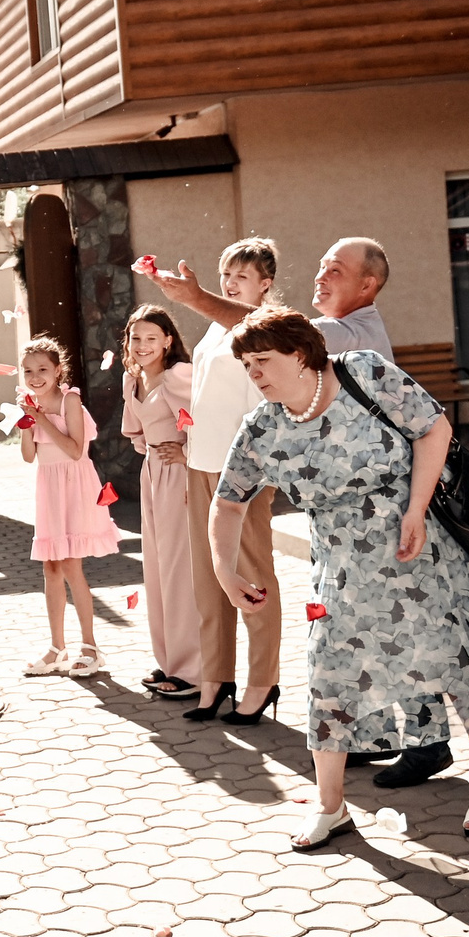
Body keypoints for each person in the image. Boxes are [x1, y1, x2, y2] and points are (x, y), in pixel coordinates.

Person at [208, 310, 469, 848]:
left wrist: (415, 509)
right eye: (246, 364)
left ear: (300, 353)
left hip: (425, 551)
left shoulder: (363, 372)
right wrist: (225, 570)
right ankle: (330, 806)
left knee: (462, 664)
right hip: (341, 574)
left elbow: (434, 428)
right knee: (329, 675)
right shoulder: (263, 427)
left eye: (263, 360)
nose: (255, 373)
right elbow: (227, 504)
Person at [169, 239, 284, 725]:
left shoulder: (264, 327)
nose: (231, 282)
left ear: (265, 284)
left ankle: (262, 681)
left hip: (245, 467)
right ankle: (215, 679)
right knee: (209, 575)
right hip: (201, 462)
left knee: (252, 573)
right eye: (227, 274)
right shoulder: (215, 330)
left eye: (242, 275)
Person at [18, 335, 116, 679]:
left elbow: (76, 451)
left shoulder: (69, 401)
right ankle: (56, 648)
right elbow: (29, 456)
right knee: (51, 569)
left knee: (72, 566)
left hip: (74, 487)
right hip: (49, 488)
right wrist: (26, 423)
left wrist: (42, 419)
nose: (35, 376)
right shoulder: (30, 406)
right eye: (28, 370)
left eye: (43, 369)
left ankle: (90, 647)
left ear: (58, 371)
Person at [119, 305, 197, 698]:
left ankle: (193, 671)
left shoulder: (177, 375)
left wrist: (187, 455)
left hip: (181, 476)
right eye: (136, 338)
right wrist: (153, 452)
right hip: (152, 474)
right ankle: (168, 660)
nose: (143, 345)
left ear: (168, 340)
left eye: (152, 338)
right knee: (157, 566)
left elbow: (208, 418)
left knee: (181, 571)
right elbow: (135, 431)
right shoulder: (132, 380)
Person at [150, 235, 394, 360]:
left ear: (366, 285)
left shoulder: (355, 335)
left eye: (335, 270)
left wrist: (196, 297)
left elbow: (273, 327)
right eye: (321, 267)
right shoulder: (215, 332)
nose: (320, 277)